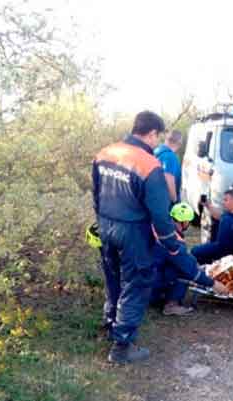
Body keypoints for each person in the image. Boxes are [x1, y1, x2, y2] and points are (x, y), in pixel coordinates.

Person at [92, 111, 183, 364]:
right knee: (136, 283)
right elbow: (160, 213)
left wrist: (101, 222)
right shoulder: (148, 164)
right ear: (152, 133)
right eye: (157, 137)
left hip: (106, 226)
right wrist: (170, 241)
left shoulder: (105, 153)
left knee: (113, 277)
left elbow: (96, 194)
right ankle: (122, 346)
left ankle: (110, 325)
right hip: (133, 232)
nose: (157, 142)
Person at [151, 202, 228, 316]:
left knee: (183, 265)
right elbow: (190, 270)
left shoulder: (162, 231)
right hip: (151, 288)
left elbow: (183, 258)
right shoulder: (173, 242)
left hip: (144, 280)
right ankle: (171, 305)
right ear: (184, 222)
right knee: (183, 271)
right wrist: (213, 284)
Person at [191, 189, 233, 265]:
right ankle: (209, 269)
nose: (223, 202)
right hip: (218, 246)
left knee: (196, 252)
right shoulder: (228, 212)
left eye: (225, 200)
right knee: (194, 251)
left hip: (228, 252)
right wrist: (207, 205)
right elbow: (219, 216)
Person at [154, 129, 183, 203]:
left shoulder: (156, 151)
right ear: (179, 143)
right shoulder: (170, 157)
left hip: (155, 196)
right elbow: (168, 178)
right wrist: (174, 200)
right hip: (165, 201)